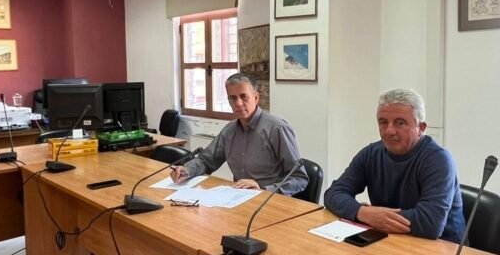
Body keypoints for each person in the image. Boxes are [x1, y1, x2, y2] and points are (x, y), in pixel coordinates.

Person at [324, 88, 464, 242]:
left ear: (421, 128)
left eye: (400, 123)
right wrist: (362, 212)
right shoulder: (371, 154)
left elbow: (431, 223)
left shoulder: (438, 160)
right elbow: (333, 193)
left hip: (442, 247)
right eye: (383, 122)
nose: (389, 131)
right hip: (389, 239)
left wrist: (375, 216)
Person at [170, 73, 308, 196]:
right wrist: (187, 170)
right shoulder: (229, 130)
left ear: (256, 98)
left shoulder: (277, 128)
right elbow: (206, 161)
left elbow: (299, 178)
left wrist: (264, 189)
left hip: (270, 200)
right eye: (232, 98)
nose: (238, 103)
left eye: (243, 96)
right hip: (238, 197)